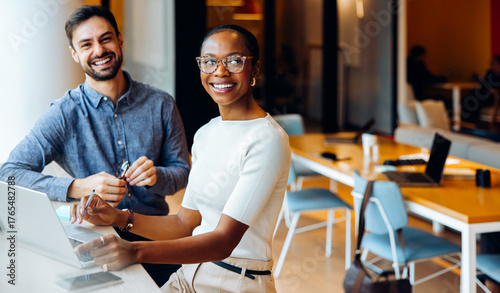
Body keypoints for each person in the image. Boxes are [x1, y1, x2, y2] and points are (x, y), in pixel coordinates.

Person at [70, 24, 291, 292]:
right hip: (187, 275)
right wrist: (116, 217)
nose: (220, 71)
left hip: (235, 281)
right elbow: (184, 223)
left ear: (254, 69)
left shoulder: (268, 139)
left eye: (234, 61)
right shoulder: (206, 134)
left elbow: (223, 241)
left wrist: (135, 251)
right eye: (209, 62)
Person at [0, 5, 190, 286]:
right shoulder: (64, 112)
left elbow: (182, 172)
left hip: (156, 239)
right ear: (75, 54)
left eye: (105, 38)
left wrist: (158, 177)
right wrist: (79, 186)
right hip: (97, 242)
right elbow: (9, 173)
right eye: (86, 44)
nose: (99, 50)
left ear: (120, 40)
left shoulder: (161, 104)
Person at [462, 55, 500, 124]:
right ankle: (467, 122)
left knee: (474, 101)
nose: (493, 67)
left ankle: (472, 122)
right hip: (484, 92)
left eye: (495, 64)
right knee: (470, 97)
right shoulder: (490, 72)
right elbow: (485, 82)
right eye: (492, 64)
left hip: (494, 97)